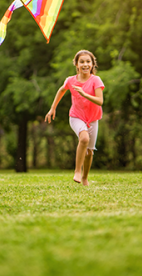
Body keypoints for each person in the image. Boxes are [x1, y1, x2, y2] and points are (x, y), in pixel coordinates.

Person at [45, 50, 104, 186]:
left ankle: (84, 178)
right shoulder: (71, 80)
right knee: (84, 138)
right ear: (76, 64)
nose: (85, 64)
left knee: (89, 152)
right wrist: (53, 108)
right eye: (82, 62)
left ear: (92, 64)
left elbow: (100, 101)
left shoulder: (96, 80)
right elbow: (61, 90)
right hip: (76, 117)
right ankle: (77, 171)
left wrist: (84, 94)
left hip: (93, 119)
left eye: (88, 61)